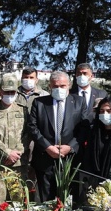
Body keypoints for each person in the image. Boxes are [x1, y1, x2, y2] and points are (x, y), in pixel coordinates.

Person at [27, 71, 89, 202]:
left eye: (62, 86)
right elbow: (32, 127)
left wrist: (70, 147)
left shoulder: (79, 102)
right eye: (55, 86)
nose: (59, 89)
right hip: (45, 160)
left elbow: (84, 128)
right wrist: (47, 147)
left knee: (68, 201)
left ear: (69, 85)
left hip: (70, 160)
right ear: (50, 86)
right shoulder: (39, 103)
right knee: (46, 201)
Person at [0, 73, 30, 201]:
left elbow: (27, 134)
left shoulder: (23, 110)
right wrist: (7, 153)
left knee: (18, 202)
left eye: (13, 92)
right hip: (0, 163)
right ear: (0, 92)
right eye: (6, 92)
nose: (10, 95)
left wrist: (15, 154)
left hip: (18, 164)